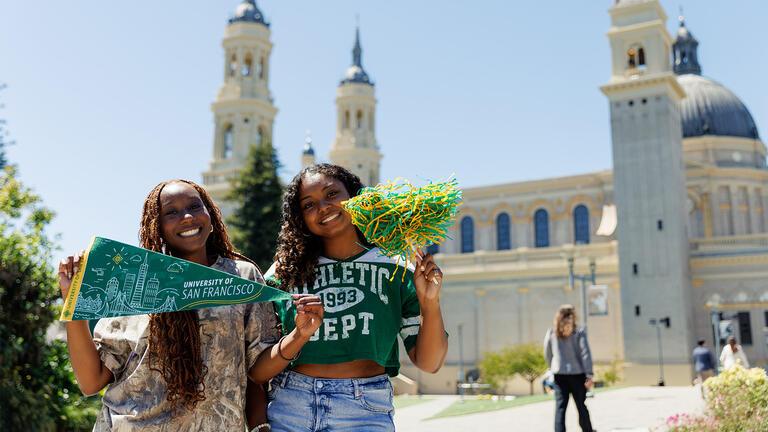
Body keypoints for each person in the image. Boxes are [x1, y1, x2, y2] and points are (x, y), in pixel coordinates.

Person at [58, 179, 323, 431]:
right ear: (157, 227)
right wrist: (74, 303)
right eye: (171, 212)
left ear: (211, 216)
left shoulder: (240, 278)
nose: (187, 217)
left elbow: (257, 371)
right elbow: (91, 381)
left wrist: (300, 335)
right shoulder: (135, 279)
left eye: (195, 206)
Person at [258, 164, 448, 432]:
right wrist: (299, 337)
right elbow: (257, 370)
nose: (323, 207)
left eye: (332, 194)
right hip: (291, 407)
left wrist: (430, 302)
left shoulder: (398, 266)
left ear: (356, 197)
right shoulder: (283, 273)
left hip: (364, 410)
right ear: (300, 218)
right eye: (308, 205)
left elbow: (429, 363)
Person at [544, 304, 595, 432]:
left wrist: (552, 366)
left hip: (559, 374)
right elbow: (585, 354)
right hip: (577, 374)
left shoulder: (552, 332)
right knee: (580, 405)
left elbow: (547, 352)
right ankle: (587, 430)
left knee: (560, 407)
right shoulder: (578, 332)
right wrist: (589, 374)